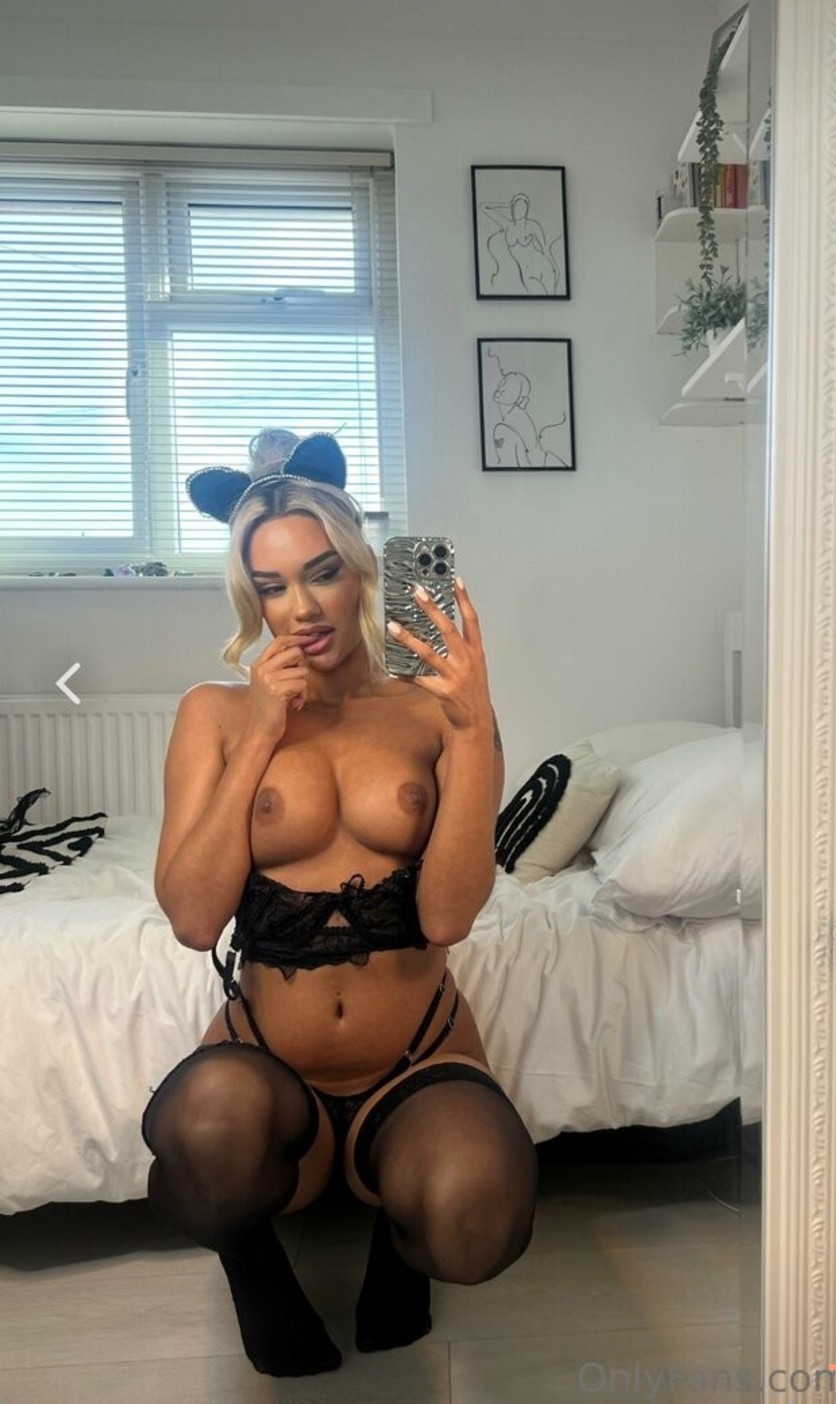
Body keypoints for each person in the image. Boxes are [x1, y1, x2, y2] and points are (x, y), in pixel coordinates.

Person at [140, 429, 538, 1378]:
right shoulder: (213, 713)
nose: (303, 608)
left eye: (322, 572)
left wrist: (474, 729)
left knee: (477, 1221)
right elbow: (193, 919)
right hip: (264, 1062)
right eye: (272, 586)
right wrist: (260, 734)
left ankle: (403, 1246)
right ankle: (252, 1264)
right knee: (203, 1140)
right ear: (250, 597)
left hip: (418, 1057)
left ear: (363, 567)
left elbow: (447, 916)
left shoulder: (434, 710)